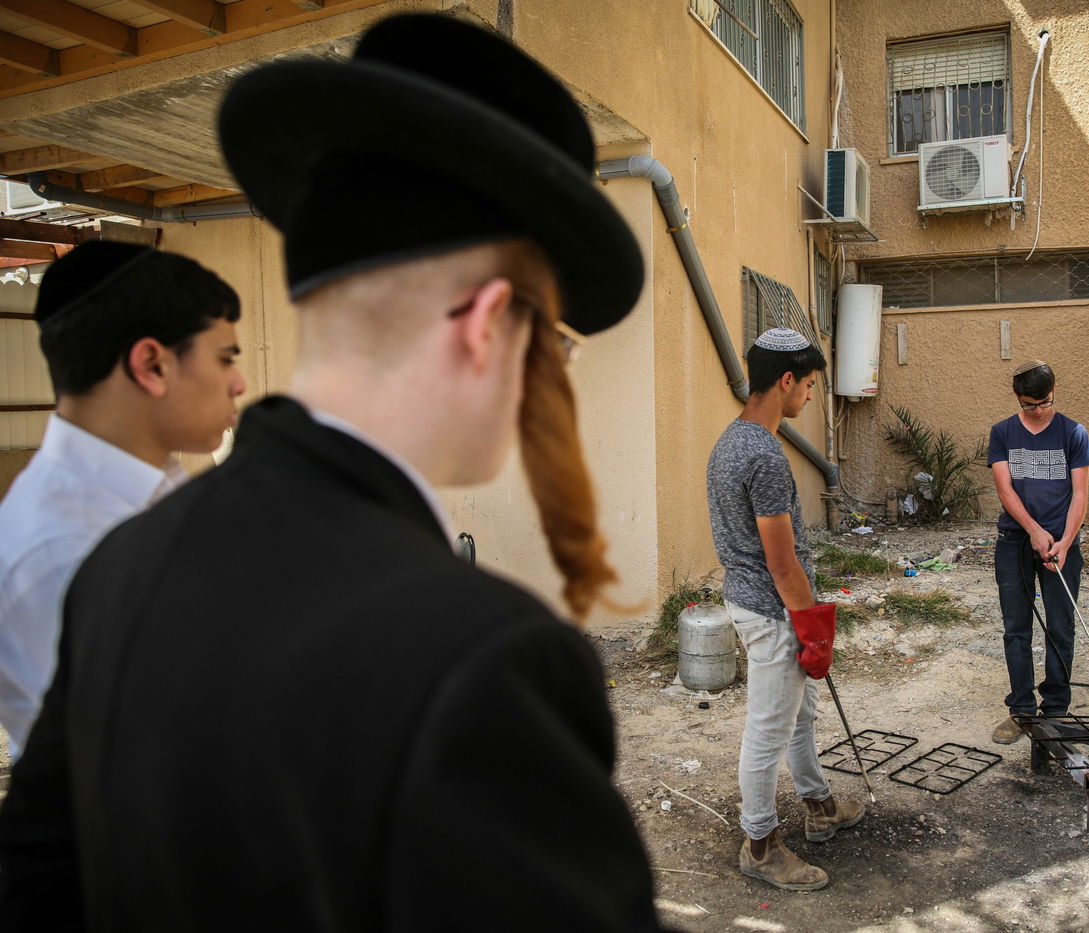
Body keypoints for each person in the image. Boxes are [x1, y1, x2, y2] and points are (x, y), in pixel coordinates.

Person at [0, 14, 670, 931]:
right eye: (552, 341)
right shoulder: (486, 664)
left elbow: (36, 889)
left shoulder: (120, 567)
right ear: (484, 328)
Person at [0, 242, 245, 760]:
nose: (239, 383)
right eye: (225, 358)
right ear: (152, 365)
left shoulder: (155, 486)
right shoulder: (62, 553)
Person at [706, 328, 864, 892]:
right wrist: (814, 626)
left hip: (758, 603)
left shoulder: (731, 440)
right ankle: (760, 845)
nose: (812, 395)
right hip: (773, 611)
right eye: (812, 384)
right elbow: (781, 560)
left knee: (800, 716)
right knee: (769, 728)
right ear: (787, 380)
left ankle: (820, 806)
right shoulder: (764, 455)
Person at [987, 360, 1089, 744]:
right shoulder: (1002, 432)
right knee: (1016, 627)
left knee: (1060, 626)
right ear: (1019, 399)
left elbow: (1080, 493)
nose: (1038, 411)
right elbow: (1005, 490)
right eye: (1030, 404)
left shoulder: (1074, 433)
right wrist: (1032, 530)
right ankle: (1021, 711)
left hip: (1063, 541)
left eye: (1045, 402)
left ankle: (1055, 711)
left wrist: (1064, 542)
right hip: (1016, 541)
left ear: (1054, 392)